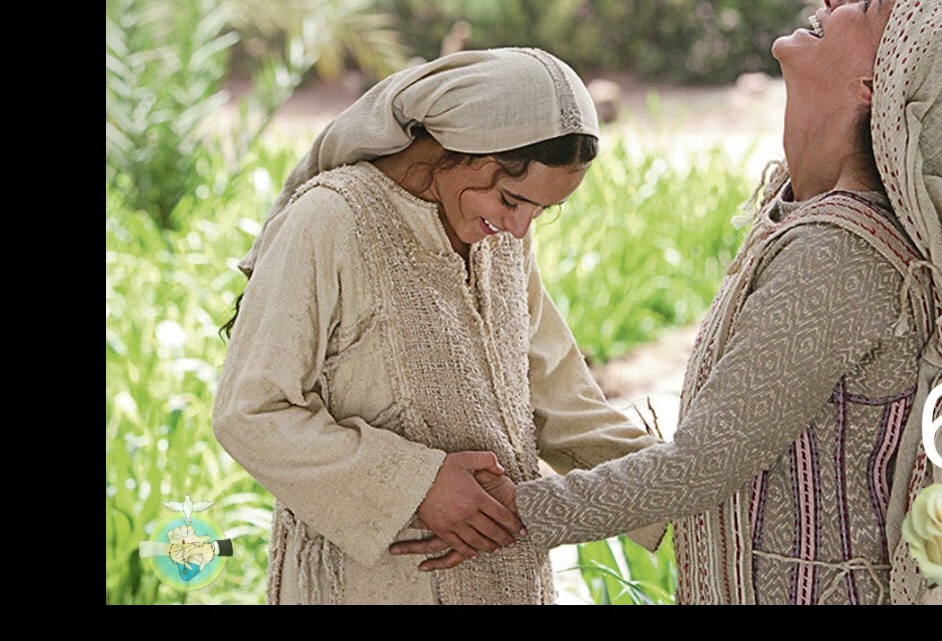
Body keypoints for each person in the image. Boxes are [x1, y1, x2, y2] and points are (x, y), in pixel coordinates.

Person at [391, 0, 942, 606]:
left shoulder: (842, 254)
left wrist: (507, 514)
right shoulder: (810, 218)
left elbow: (703, 464)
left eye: (870, 5)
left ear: (873, 85)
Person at [212, 47, 666, 605]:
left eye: (540, 212)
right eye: (511, 199)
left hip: (505, 579)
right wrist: (413, 484)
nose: (520, 229)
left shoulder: (496, 236)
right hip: (370, 586)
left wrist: (687, 481)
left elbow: (561, 403)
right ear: (457, 146)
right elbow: (250, 410)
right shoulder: (330, 219)